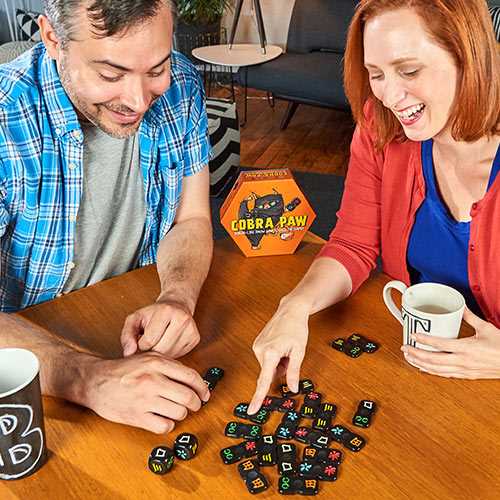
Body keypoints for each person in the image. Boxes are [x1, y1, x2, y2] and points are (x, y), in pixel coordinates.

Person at [248, 0, 500, 414]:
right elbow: (353, 245)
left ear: (467, 55)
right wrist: (295, 306)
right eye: (376, 74)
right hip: (417, 380)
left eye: (409, 70)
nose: (388, 95)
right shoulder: (380, 125)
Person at [0, 0, 214, 433]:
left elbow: (192, 221)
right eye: (110, 74)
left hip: (127, 323)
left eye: (156, 68)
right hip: (33, 367)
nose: (138, 100)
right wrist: (87, 379)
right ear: (53, 39)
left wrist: (177, 296)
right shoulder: (5, 115)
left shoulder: (183, 85)